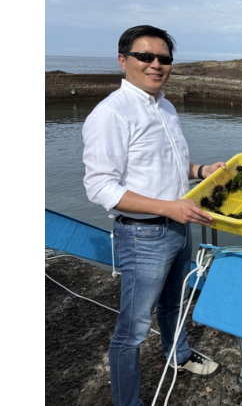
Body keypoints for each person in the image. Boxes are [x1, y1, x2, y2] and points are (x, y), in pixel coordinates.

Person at [82, 25, 227, 406]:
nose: (156, 64)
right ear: (123, 60)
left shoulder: (165, 105)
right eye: (145, 56)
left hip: (179, 225)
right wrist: (169, 207)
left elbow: (166, 166)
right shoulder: (110, 114)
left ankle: (178, 356)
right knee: (132, 330)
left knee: (176, 303)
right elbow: (100, 187)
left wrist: (200, 172)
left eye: (164, 58)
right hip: (143, 236)